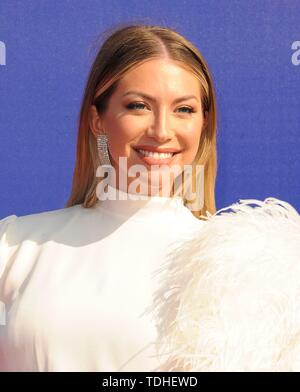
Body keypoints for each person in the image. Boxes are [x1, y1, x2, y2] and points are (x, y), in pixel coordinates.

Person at [0, 24, 217, 372]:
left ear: (204, 122)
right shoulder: (13, 248)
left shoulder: (239, 261)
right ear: (97, 119)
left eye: (184, 109)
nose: (162, 131)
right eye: (138, 106)